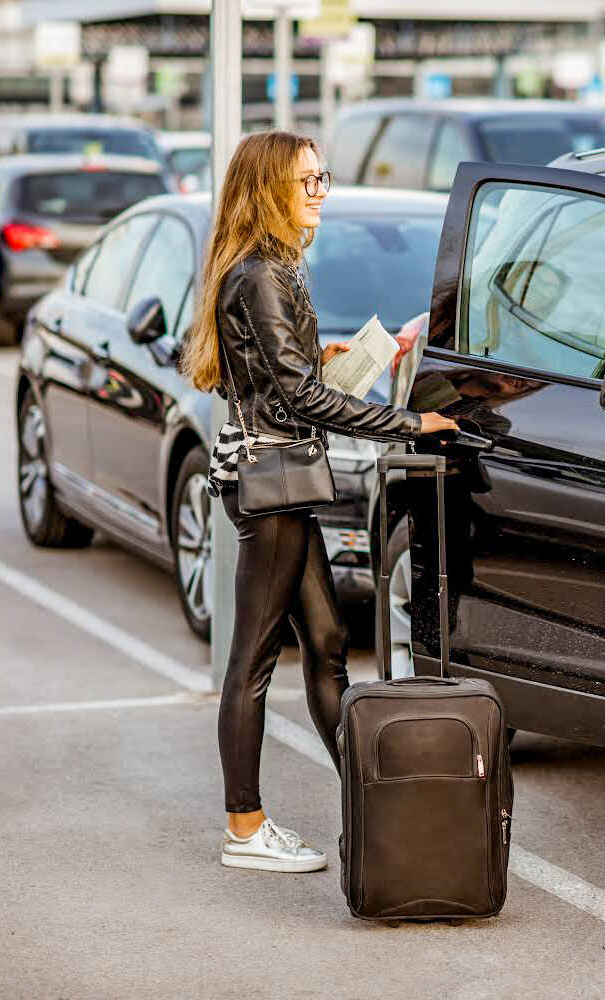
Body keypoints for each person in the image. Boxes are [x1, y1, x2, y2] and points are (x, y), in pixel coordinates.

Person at [179, 130, 457, 873]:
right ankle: (245, 828)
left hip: (286, 479)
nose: (319, 193)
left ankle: (369, 803)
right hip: (273, 487)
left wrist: (360, 355)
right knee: (254, 662)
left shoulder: (275, 269)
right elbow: (299, 396)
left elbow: (290, 376)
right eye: (308, 182)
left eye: (322, 178)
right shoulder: (260, 276)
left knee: (330, 642)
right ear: (271, 189)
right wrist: (410, 422)